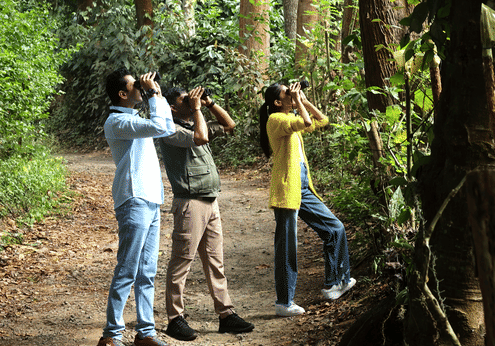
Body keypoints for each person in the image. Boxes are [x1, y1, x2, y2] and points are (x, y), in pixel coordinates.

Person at [158, 86, 255, 340]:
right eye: (184, 100)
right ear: (172, 107)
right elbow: (200, 137)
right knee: (182, 261)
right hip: (189, 203)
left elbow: (230, 124)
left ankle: (226, 314)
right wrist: (198, 109)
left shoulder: (195, 121)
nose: (191, 101)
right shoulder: (170, 128)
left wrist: (209, 103)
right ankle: (175, 318)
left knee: (215, 260)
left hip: (210, 201)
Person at [259, 81, 356, 317]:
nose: (292, 94)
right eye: (287, 93)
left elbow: (322, 120)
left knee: (335, 228)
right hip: (286, 190)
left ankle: (334, 284)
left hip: (302, 188)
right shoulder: (277, 120)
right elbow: (307, 121)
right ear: (277, 102)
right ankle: (284, 302)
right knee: (287, 248)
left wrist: (301, 98)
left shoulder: (289, 117)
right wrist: (299, 102)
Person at [99, 69, 176, 346]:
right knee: (128, 268)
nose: (141, 89)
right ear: (122, 94)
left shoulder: (133, 118)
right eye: (136, 86)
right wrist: (153, 95)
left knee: (147, 271)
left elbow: (166, 126)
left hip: (151, 199)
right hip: (133, 198)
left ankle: (145, 332)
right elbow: (159, 127)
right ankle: (111, 334)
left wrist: (157, 92)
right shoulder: (117, 121)